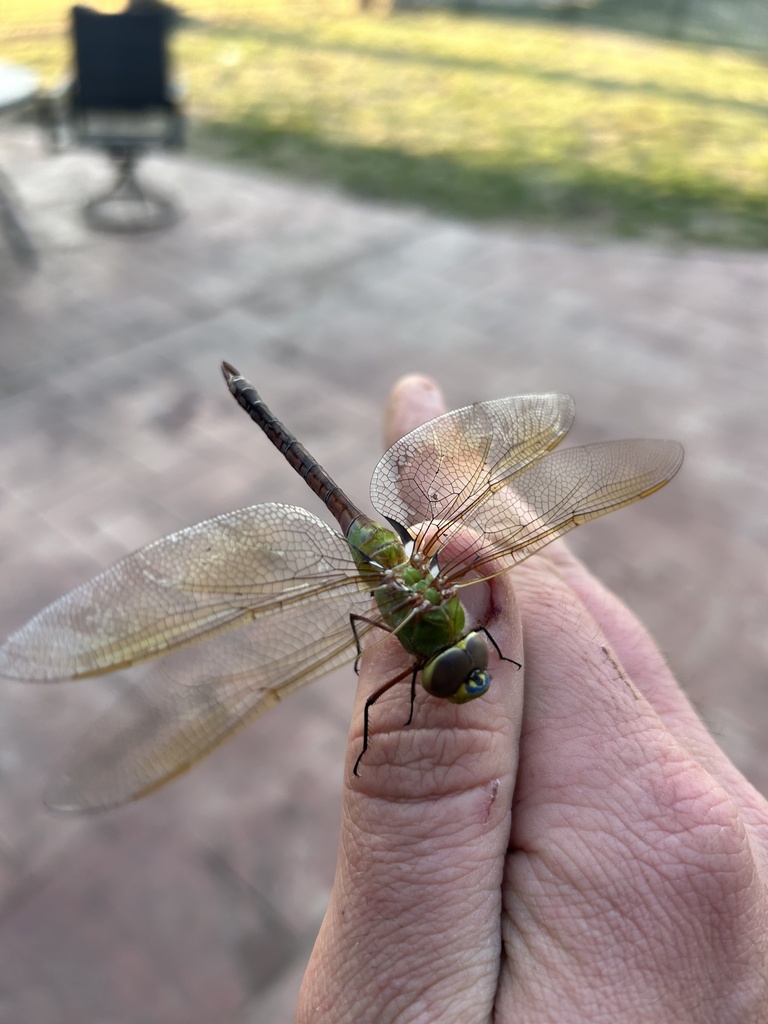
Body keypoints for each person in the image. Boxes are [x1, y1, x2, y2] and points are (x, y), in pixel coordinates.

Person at [295, 374, 768, 1023]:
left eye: (465, 665)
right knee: (383, 699)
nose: (476, 681)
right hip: (395, 572)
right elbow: (366, 641)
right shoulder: (428, 634)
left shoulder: (451, 633)